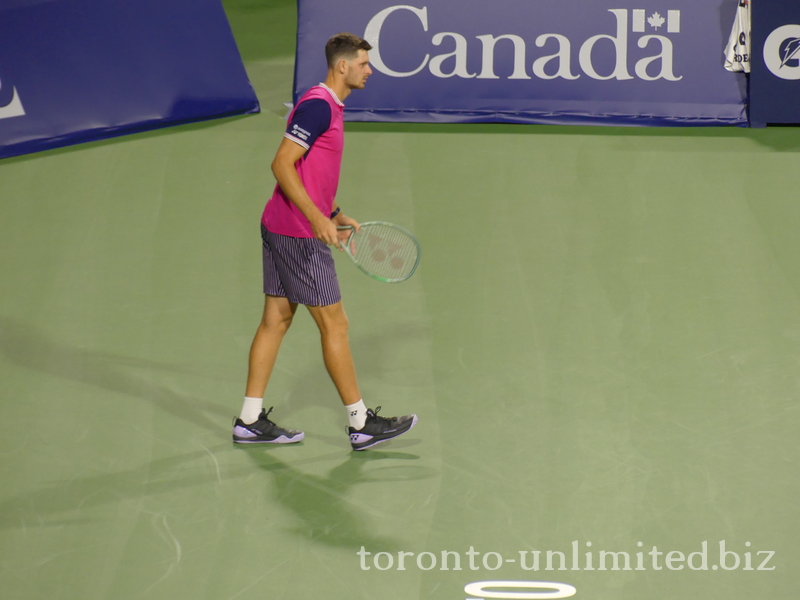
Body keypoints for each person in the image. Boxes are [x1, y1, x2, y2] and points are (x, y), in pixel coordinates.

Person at [232, 32, 417, 451]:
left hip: (279, 223)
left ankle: (248, 419)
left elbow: (309, 171)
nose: (370, 70)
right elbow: (281, 164)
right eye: (364, 63)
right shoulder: (318, 107)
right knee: (335, 323)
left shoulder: (323, 103)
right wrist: (317, 218)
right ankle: (360, 424)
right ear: (342, 66)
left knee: (276, 320)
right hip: (298, 234)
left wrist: (331, 211)